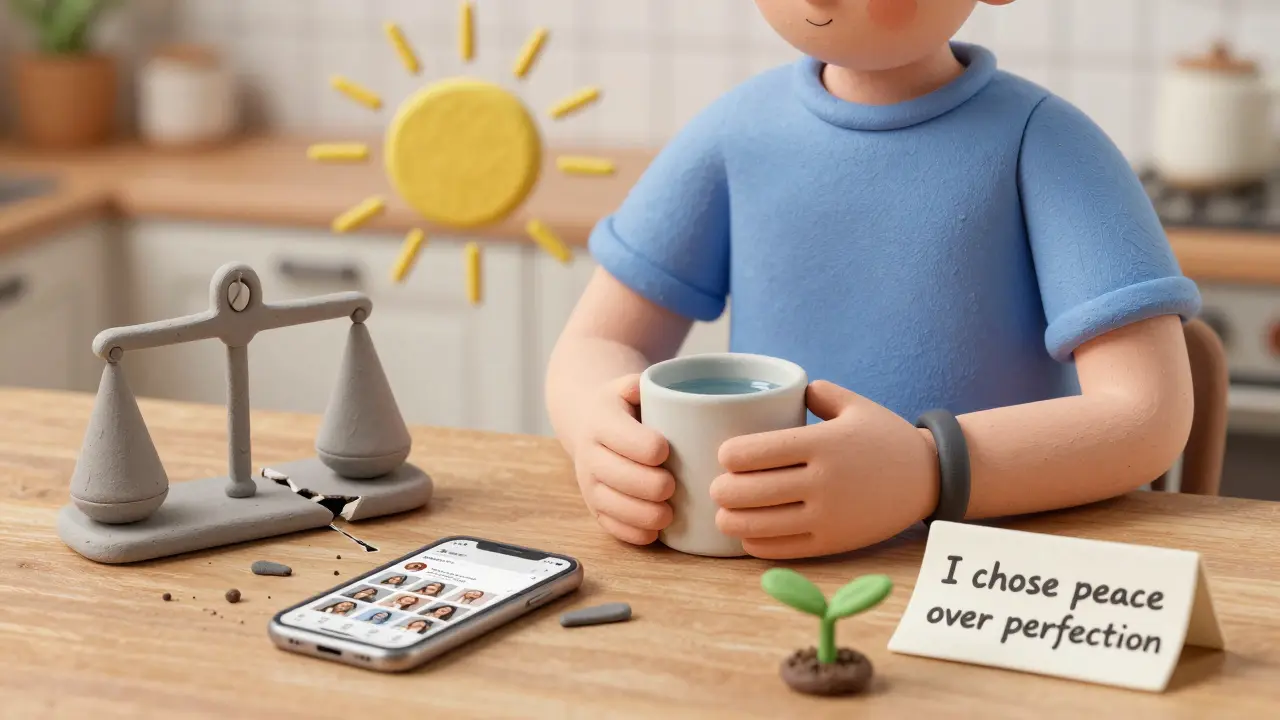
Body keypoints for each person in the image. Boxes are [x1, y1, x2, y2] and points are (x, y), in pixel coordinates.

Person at [546, 0, 1200, 560]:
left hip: (986, 574)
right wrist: (598, 433)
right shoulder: (735, 133)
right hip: (768, 572)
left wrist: (926, 470)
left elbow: (1146, 417)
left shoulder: (1047, 144)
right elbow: (595, 344)